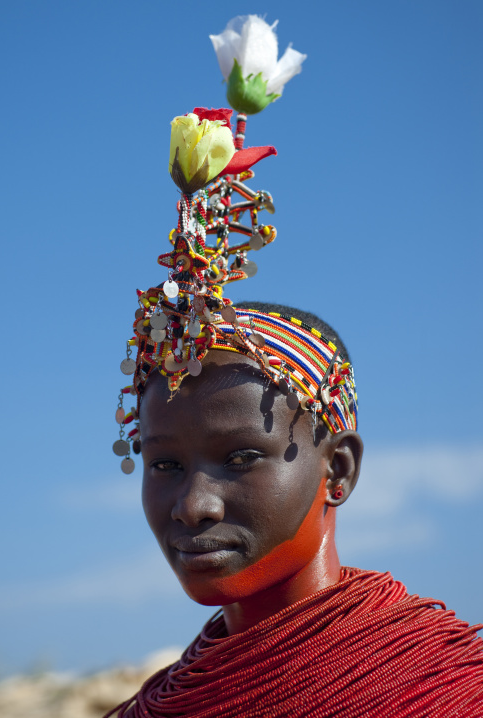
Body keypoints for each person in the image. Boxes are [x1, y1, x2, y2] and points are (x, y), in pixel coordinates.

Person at [106, 19, 483, 715]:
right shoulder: (150, 708)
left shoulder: (447, 689)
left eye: (242, 456)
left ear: (336, 471)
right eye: (164, 465)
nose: (194, 506)